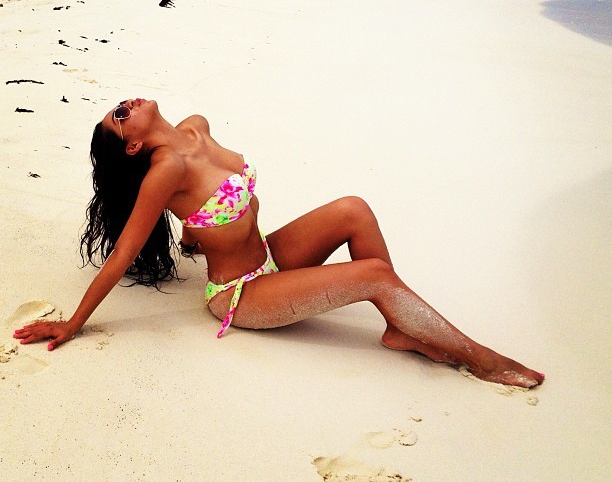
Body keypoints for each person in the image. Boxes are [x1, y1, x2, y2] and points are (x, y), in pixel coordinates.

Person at [13, 99, 544, 389]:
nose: (126, 104)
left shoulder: (197, 127)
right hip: (241, 294)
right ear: (132, 145)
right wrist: (73, 323)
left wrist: (195, 233)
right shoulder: (163, 172)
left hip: (269, 256)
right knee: (374, 276)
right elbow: (123, 253)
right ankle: (482, 360)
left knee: (353, 208)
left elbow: (207, 209)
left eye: (118, 105)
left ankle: (399, 328)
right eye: (119, 116)